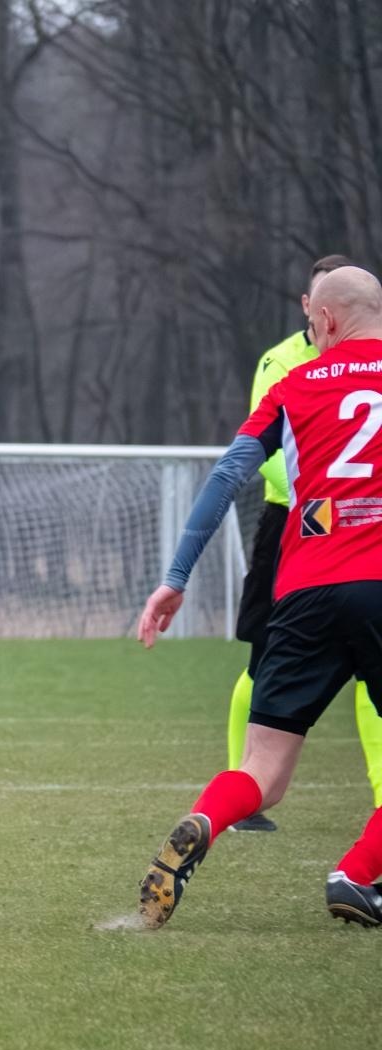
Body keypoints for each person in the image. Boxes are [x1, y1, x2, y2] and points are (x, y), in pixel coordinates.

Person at [136, 265, 382, 929]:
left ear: (325, 319)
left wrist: (176, 578)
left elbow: (227, 479)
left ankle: (205, 820)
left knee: (264, 770)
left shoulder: (295, 382)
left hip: (303, 589)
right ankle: (356, 873)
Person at [225, 253, 382, 831]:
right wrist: (315, 496)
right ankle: (241, 782)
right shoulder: (282, 362)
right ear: (307, 307)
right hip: (294, 521)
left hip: (335, 548)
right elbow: (265, 455)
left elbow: (231, 465)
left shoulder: (333, 360)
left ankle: (239, 794)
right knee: (257, 663)